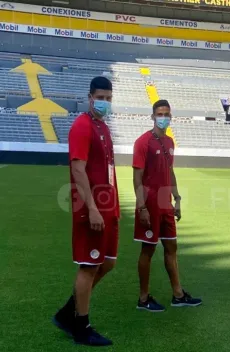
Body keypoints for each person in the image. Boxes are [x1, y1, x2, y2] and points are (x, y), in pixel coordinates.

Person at [53, 76, 118, 346]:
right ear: (90, 97)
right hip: (90, 208)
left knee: (107, 262)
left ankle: (69, 313)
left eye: (108, 98)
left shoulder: (101, 126)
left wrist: (111, 207)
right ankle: (81, 326)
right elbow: (78, 170)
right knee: (89, 266)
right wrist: (92, 208)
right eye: (100, 97)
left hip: (108, 206)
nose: (104, 102)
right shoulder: (82, 126)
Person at [133, 99, 202, 311]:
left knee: (172, 247)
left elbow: (170, 172)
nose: (164, 118)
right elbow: (137, 177)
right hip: (150, 204)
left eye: (167, 114)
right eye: (160, 114)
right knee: (148, 249)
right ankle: (143, 299)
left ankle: (178, 295)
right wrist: (142, 207)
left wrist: (177, 198)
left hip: (166, 203)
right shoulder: (143, 142)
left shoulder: (170, 142)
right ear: (153, 116)